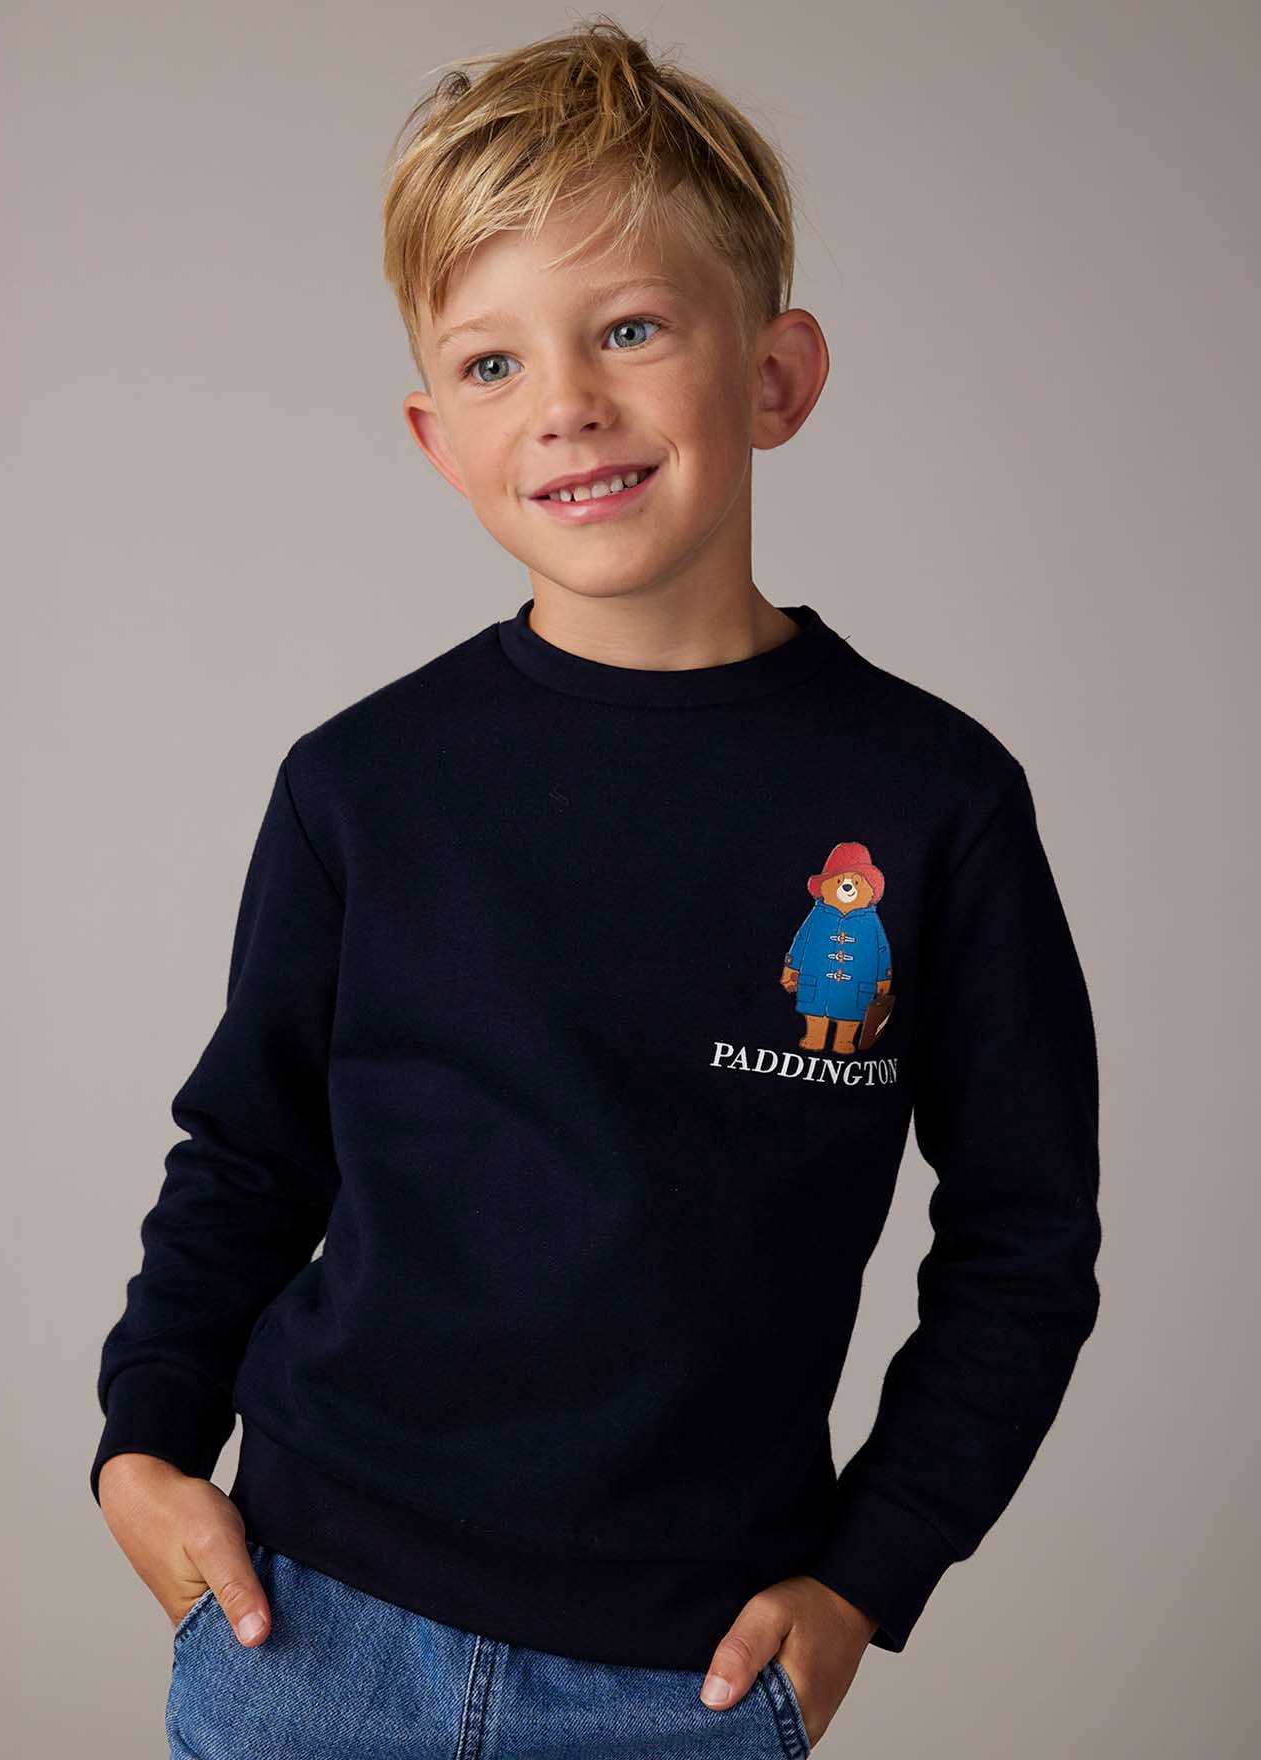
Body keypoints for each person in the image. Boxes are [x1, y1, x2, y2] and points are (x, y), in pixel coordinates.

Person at [91, 18, 1102, 1756]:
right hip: (306, 1632)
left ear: (775, 374)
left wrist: (869, 1574)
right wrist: (143, 1447)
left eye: (630, 328)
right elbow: (246, 1159)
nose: (564, 402)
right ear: (436, 435)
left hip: (681, 1681)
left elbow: (1025, 1242)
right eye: (492, 363)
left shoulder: (935, 803)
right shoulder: (361, 785)